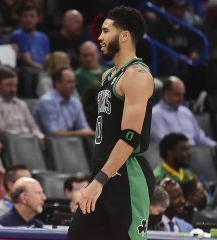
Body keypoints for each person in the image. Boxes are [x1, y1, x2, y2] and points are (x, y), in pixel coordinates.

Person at [67, 6, 155, 240]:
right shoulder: (108, 75)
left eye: (106, 31)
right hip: (103, 169)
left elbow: (129, 137)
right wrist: (98, 177)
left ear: (124, 35)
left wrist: (99, 181)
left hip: (127, 175)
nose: (99, 37)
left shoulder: (137, 75)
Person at [150, 76, 217, 147]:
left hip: (195, 153)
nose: (181, 99)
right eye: (177, 95)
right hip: (173, 155)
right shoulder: (155, 114)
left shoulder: (186, 111)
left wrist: (214, 145)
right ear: (166, 93)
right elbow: (164, 143)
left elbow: (200, 137)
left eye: (182, 95)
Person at [0, 67, 44, 140]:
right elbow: (0, 132)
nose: (13, 90)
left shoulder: (21, 104)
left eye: (15, 86)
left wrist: (40, 137)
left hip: (28, 142)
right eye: (9, 85)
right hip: (10, 144)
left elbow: (33, 127)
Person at [34, 66, 94, 137]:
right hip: (50, 145)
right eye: (69, 82)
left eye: (74, 81)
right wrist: (80, 133)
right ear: (57, 83)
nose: (73, 85)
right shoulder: (46, 101)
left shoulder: (75, 102)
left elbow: (84, 128)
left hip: (71, 143)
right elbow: (52, 133)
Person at [10, 2, 50, 69]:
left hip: (43, 71)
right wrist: (45, 69)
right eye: (25, 16)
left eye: (32, 16)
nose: (28, 19)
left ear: (38, 18)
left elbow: (47, 58)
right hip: (28, 71)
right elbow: (28, 61)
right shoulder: (18, 35)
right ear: (20, 18)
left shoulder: (43, 37)